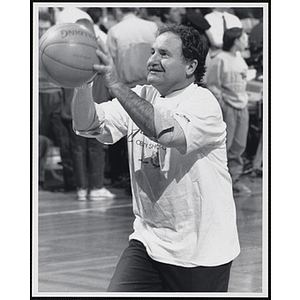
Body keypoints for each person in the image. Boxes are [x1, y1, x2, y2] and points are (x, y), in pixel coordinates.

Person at [71, 24, 240, 292]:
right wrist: (82, 81)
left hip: (201, 252)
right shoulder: (140, 95)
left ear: (190, 66)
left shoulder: (203, 102)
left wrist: (114, 83)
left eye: (164, 53)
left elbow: (166, 132)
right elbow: (86, 124)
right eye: (152, 51)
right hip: (148, 242)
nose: (152, 60)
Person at [205, 27, 251, 194]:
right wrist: (222, 103)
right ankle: (219, 181)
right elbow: (213, 84)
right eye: (244, 38)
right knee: (225, 144)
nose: (246, 41)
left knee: (239, 145)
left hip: (242, 106)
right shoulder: (219, 59)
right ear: (235, 40)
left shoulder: (239, 58)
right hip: (228, 106)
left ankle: (235, 178)